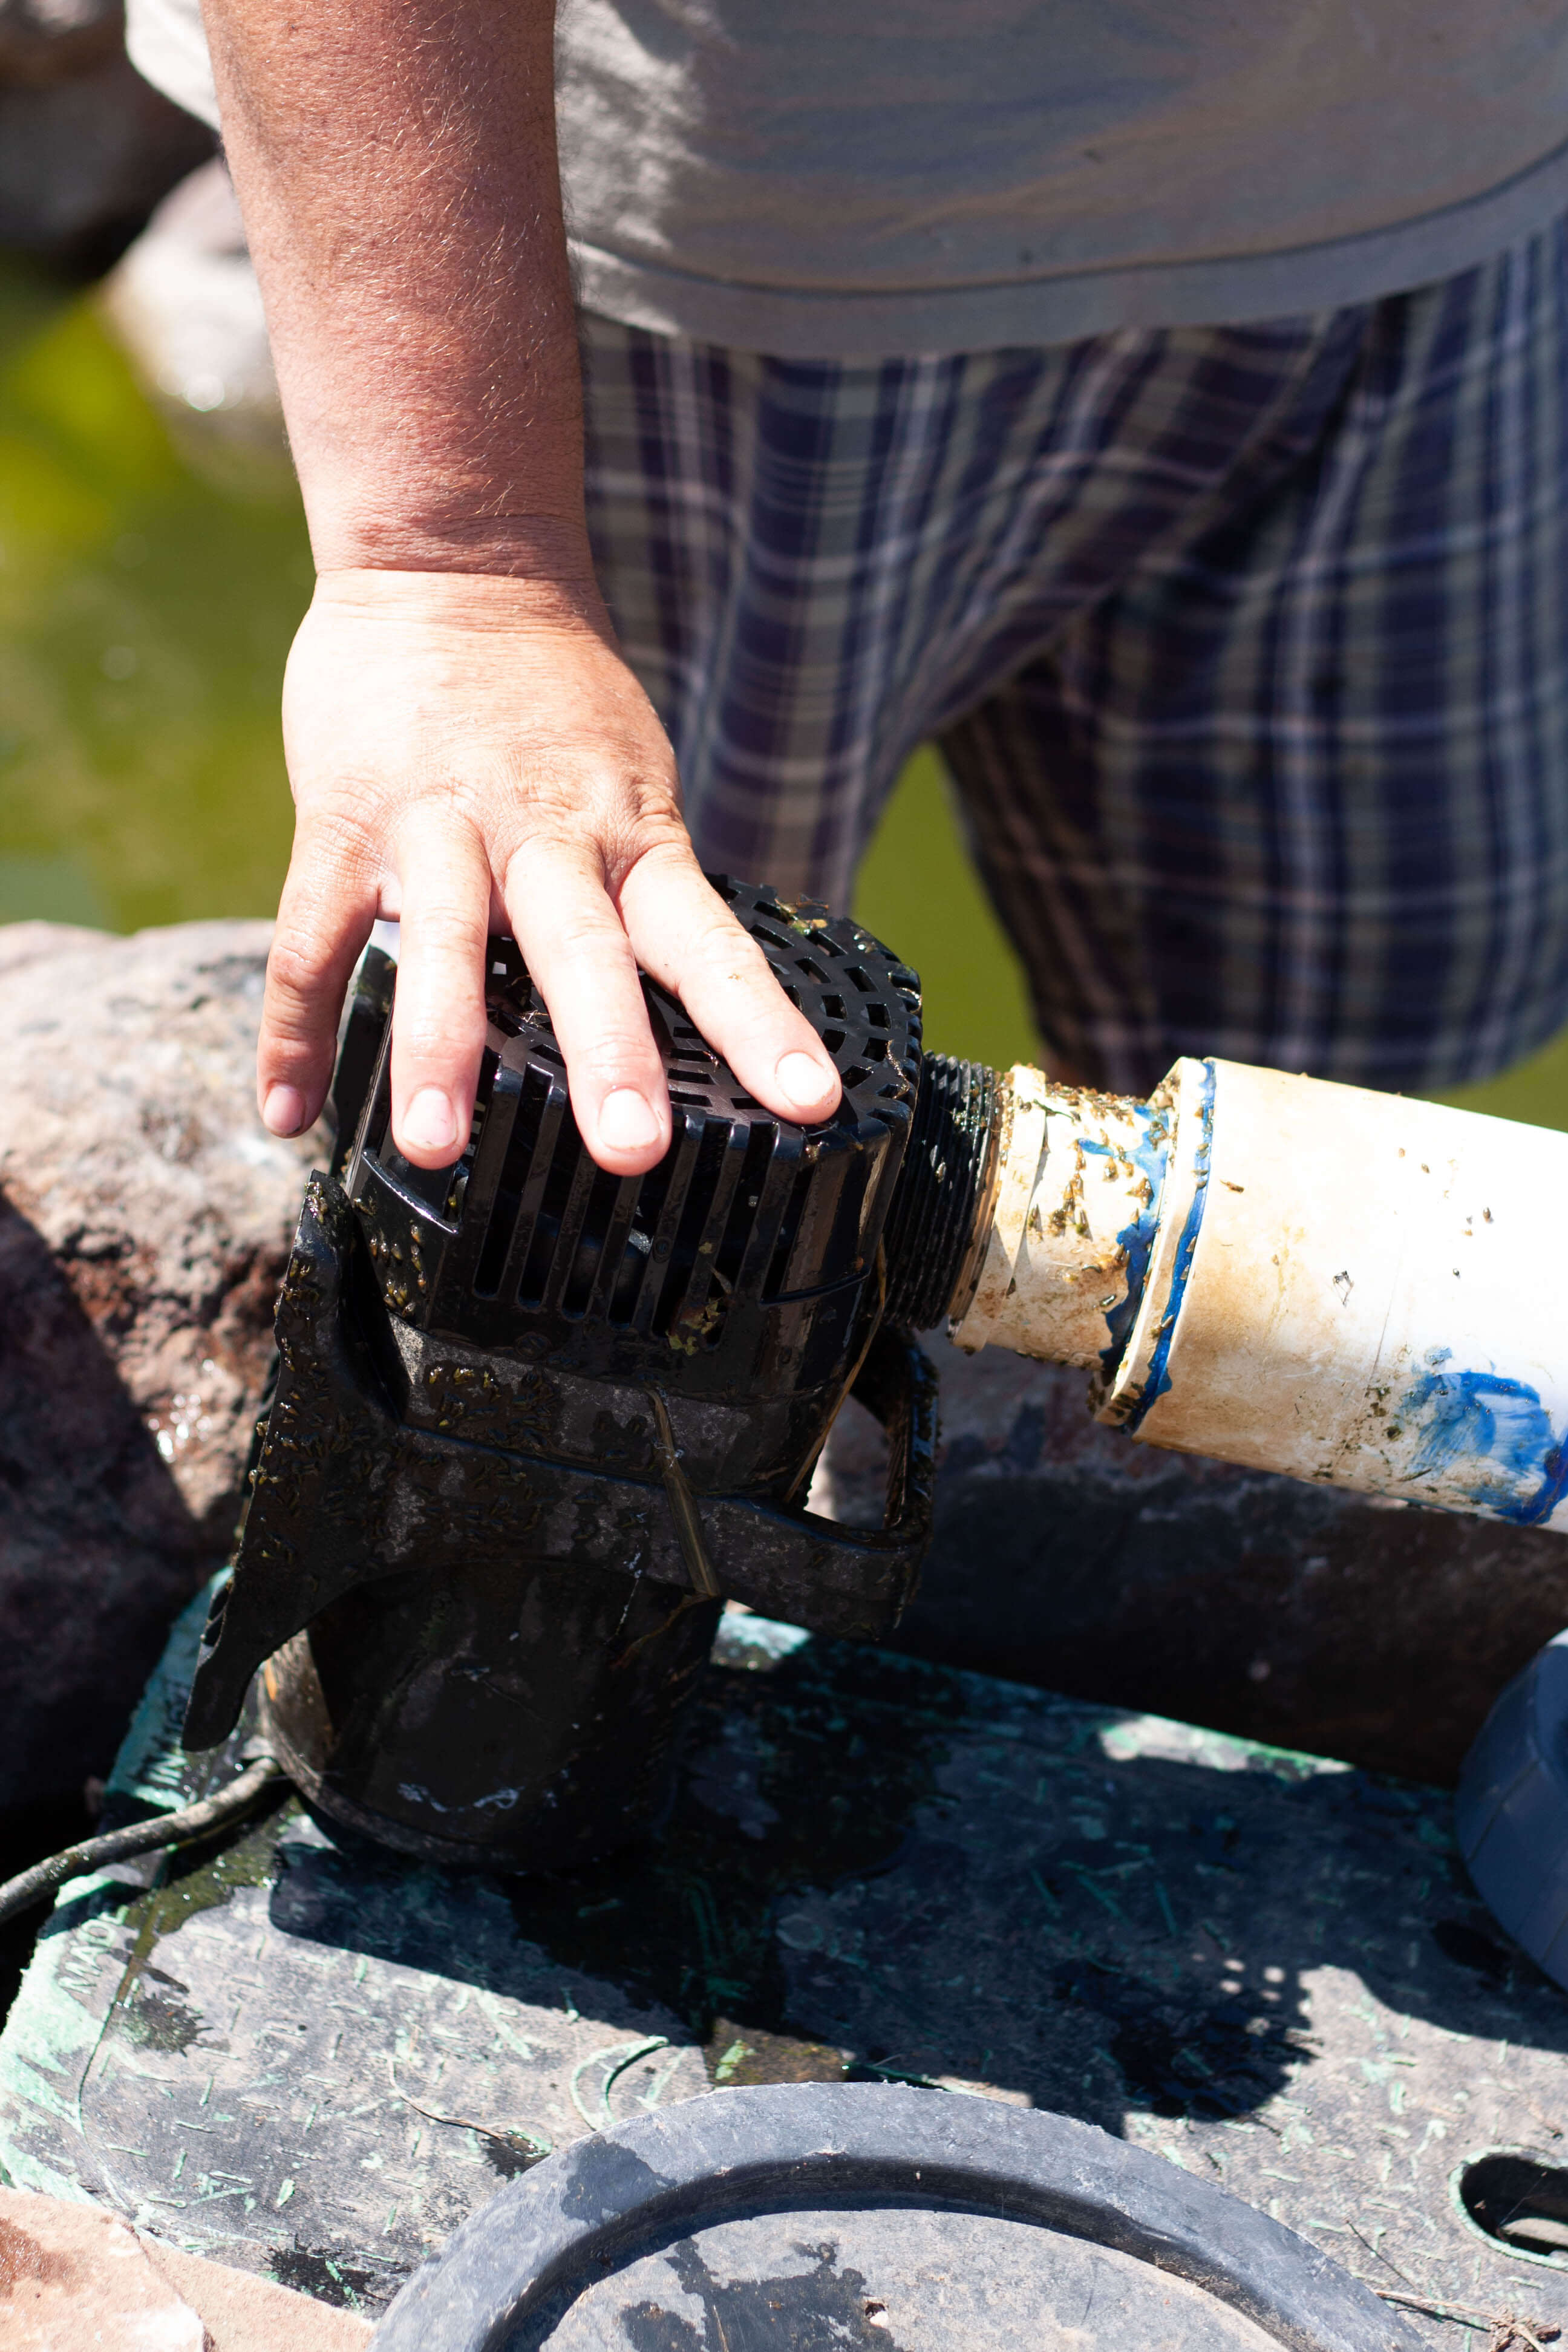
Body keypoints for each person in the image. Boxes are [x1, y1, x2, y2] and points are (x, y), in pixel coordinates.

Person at [128, 0, 1568, 1186]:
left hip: (1452, 173)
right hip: (695, 243)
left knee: (1319, 1148)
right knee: (612, 1148)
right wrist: (449, 556)